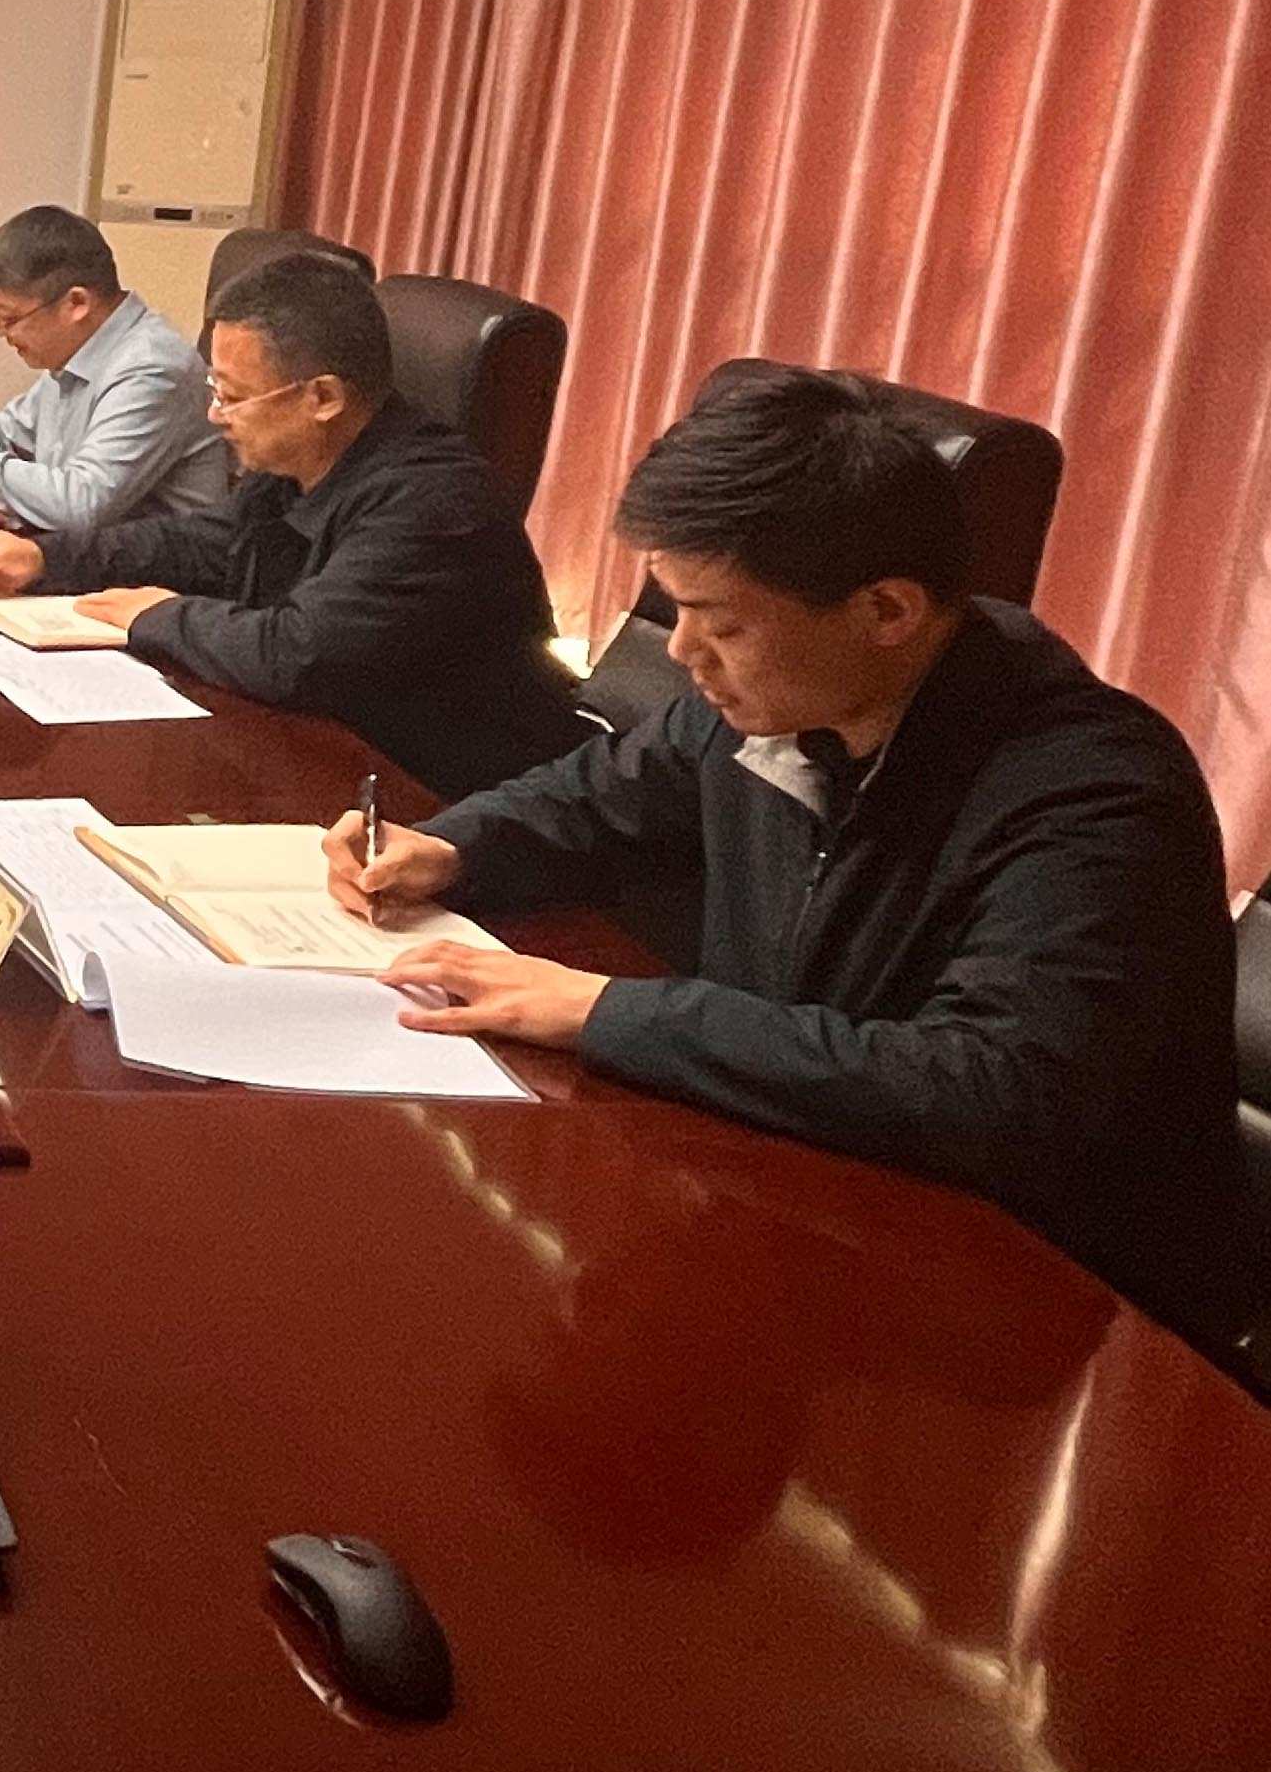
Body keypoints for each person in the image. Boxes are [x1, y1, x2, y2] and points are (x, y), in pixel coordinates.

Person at [329, 367, 1244, 1351]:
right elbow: (600, 794)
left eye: (720, 622)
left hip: (1033, 1313)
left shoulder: (1091, 793)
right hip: (802, 1191)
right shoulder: (778, 701)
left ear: (886, 611)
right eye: (675, 609)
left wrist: (605, 1011)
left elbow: (990, 1090)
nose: (679, 651)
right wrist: (452, 846)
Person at [0, 248, 583, 801]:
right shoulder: (298, 460)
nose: (214, 414)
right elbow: (208, 544)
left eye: (232, 396)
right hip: (327, 756)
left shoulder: (435, 502)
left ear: (323, 398)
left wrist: (157, 616)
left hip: (444, 800)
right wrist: (50, 557)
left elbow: (299, 654)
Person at [0, 204, 229, 527]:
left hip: (146, 578)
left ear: (76, 303)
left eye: (10, 318)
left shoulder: (152, 369)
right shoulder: (84, 349)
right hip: (84, 558)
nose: (0, 333)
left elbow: (80, 502)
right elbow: (13, 431)